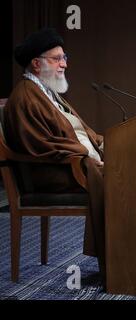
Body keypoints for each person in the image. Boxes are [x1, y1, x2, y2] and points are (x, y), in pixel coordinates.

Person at [4, 28, 106, 282]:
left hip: (71, 164)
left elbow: (77, 131)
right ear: (37, 64)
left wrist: (102, 146)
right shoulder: (26, 97)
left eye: (65, 57)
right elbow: (39, 145)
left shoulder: (47, 91)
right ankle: (118, 261)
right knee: (121, 183)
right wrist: (86, 158)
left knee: (128, 169)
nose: (64, 64)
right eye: (56, 59)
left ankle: (129, 256)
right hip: (52, 173)